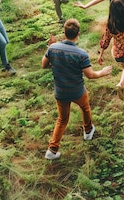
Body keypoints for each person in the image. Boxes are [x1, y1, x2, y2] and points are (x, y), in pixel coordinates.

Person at [42, 19, 113, 160]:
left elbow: (44, 65)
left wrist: (52, 53)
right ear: (78, 34)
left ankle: (52, 150)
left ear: (64, 32)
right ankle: (87, 131)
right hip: (77, 91)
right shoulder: (81, 54)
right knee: (85, 108)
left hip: (60, 92)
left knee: (62, 119)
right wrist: (103, 72)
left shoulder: (52, 48)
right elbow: (91, 75)